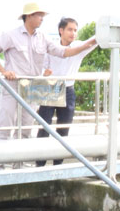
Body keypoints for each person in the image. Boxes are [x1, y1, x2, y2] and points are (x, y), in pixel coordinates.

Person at [0, 3, 97, 150]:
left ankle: (19, 162)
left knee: (26, 129)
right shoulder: (11, 35)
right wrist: (3, 71)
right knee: (5, 127)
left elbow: (63, 52)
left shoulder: (43, 38)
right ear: (29, 16)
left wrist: (90, 42)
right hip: (12, 85)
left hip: (33, 86)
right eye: (39, 15)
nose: (42, 19)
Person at [36, 17, 94, 166]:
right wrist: (45, 73)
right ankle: (40, 164)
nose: (73, 33)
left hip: (68, 89)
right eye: (70, 29)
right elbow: (42, 67)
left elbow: (93, 42)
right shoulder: (52, 46)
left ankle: (58, 165)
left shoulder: (78, 46)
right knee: (44, 127)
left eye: (75, 30)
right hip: (51, 87)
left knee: (64, 128)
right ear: (61, 30)